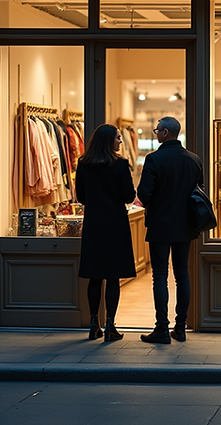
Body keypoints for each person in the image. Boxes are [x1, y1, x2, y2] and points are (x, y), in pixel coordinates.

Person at [137, 116, 204, 344]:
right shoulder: (194, 159)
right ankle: (181, 328)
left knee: (160, 277)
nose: (156, 134)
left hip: (160, 225)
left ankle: (162, 330)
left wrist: (155, 203)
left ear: (165, 132)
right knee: (182, 275)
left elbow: (144, 193)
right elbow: (199, 191)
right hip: (185, 224)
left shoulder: (154, 159)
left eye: (157, 131)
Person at [75, 124, 136, 342]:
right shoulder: (120, 165)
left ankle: (93, 324)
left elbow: (80, 196)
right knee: (112, 276)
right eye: (118, 138)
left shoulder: (83, 165)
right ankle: (110, 325)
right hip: (115, 224)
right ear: (109, 141)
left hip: (93, 224)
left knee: (94, 276)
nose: (121, 140)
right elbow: (129, 196)